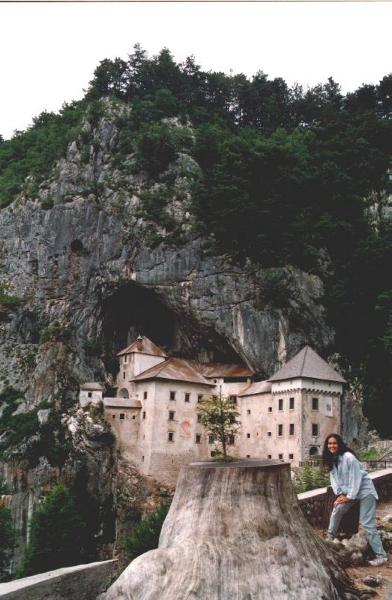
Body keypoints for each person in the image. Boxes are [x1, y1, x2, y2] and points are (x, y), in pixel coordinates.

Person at [322, 433, 388, 567]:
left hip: (364, 492)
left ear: (339, 444)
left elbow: (356, 479)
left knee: (367, 523)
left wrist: (348, 497)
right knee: (337, 509)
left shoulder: (349, 458)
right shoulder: (332, 460)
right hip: (350, 493)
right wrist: (340, 495)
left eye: (334, 443)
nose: (332, 446)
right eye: (329, 443)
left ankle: (382, 556)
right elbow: (334, 481)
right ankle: (329, 539)